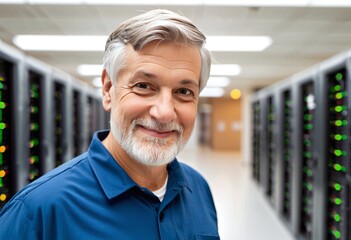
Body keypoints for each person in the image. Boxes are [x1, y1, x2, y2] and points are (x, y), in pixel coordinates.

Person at [0, 9, 219, 240]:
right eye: (144, 86)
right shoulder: (39, 211)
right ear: (107, 89)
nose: (164, 113)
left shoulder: (198, 189)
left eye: (184, 91)